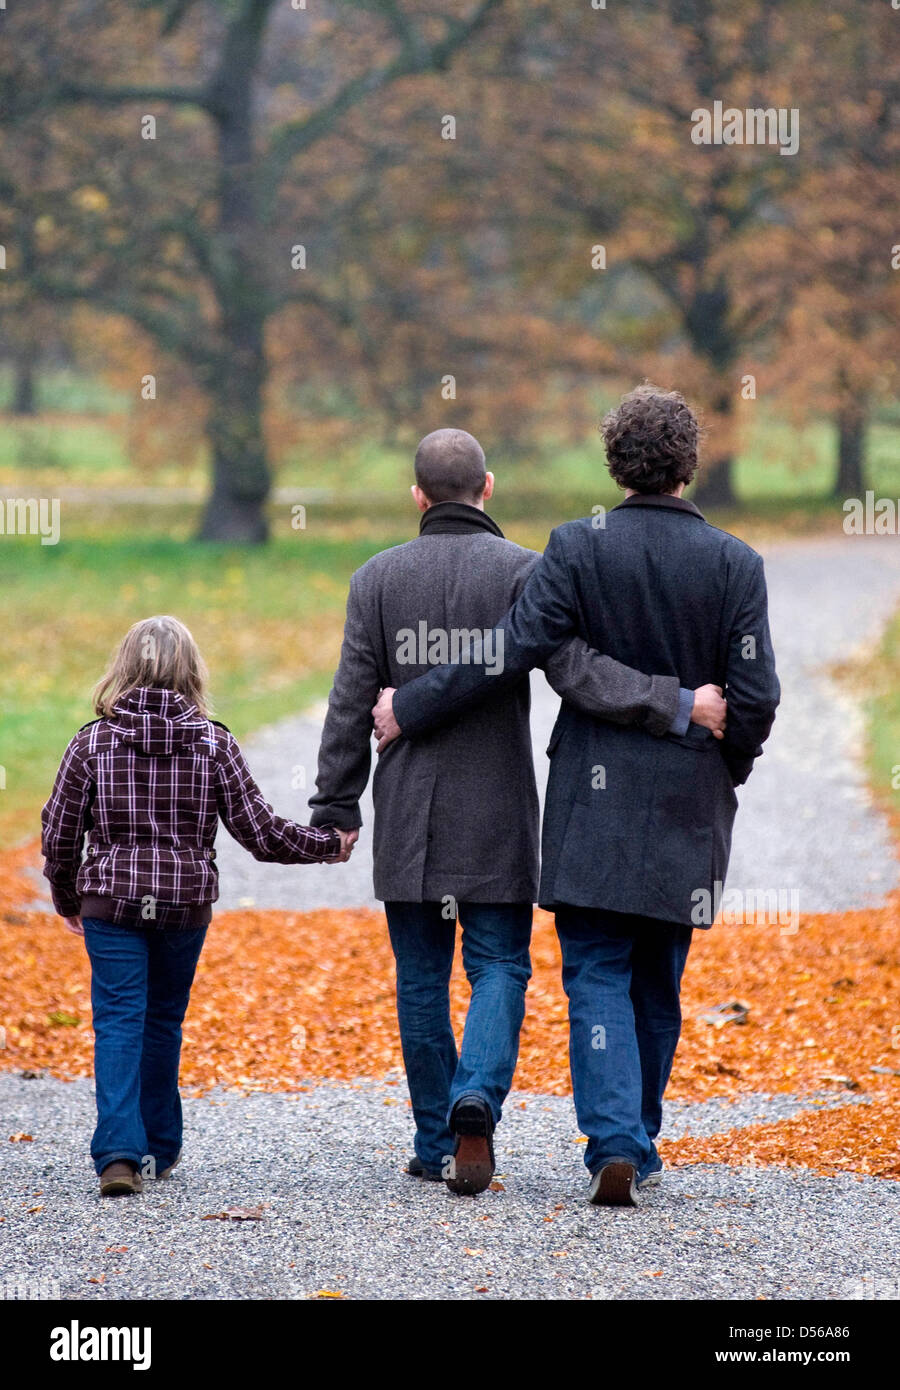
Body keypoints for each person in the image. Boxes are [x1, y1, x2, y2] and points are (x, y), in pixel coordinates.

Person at [373, 389, 780, 1207]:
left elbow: (515, 653)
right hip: (685, 799)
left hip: (592, 801)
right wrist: (718, 755)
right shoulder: (736, 563)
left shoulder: (575, 550)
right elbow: (757, 695)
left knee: (596, 972)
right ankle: (632, 1139)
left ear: (613, 466)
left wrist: (409, 706)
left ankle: (617, 1143)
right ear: (690, 464)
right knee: (658, 976)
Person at [41, 614, 354, 1197]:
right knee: (162, 1019)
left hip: (110, 903)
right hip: (183, 907)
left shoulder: (92, 742)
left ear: (125, 667)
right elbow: (259, 833)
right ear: (191, 669)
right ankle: (159, 1144)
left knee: (116, 1020)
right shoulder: (213, 742)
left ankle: (117, 1153)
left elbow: (58, 832)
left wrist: (67, 897)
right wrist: (327, 845)